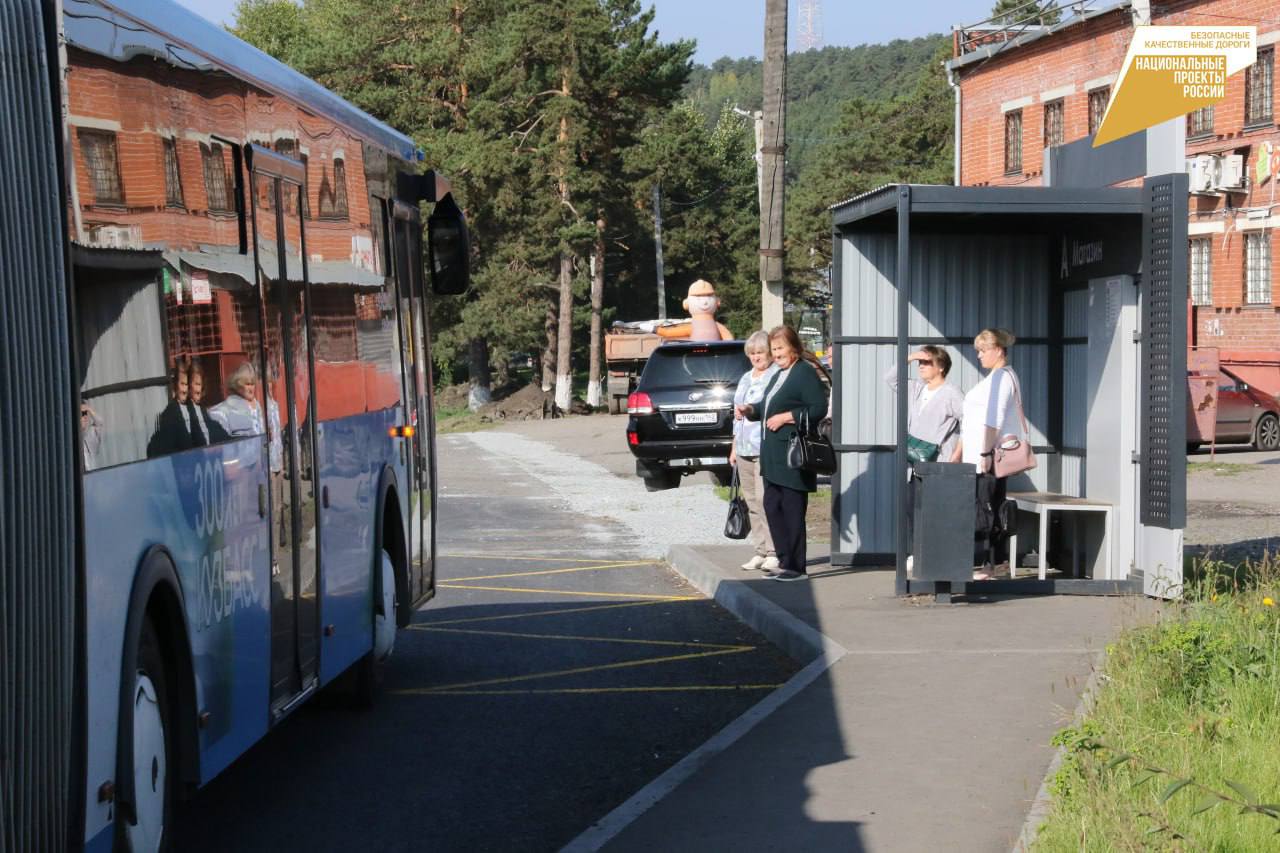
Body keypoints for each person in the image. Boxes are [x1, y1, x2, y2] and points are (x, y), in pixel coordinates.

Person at [744, 325, 830, 582]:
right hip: (772, 455)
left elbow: (818, 408)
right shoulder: (779, 374)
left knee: (792, 510)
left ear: (793, 346)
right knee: (772, 505)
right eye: (774, 349)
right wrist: (750, 409)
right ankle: (783, 561)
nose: (776, 353)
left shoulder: (803, 372)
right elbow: (768, 405)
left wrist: (786, 417)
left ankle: (796, 567)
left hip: (792, 453)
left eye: (780, 348)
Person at [885, 346, 965, 574]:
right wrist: (910, 357)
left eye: (927, 362)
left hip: (939, 460)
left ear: (940, 366)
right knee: (913, 508)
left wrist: (956, 454)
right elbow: (890, 377)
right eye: (920, 363)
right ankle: (916, 552)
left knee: (935, 509)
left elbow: (968, 422)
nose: (921, 366)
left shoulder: (951, 392)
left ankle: (934, 554)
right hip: (914, 461)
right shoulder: (916, 388)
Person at [952, 328, 1023, 580]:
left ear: (998, 350)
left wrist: (984, 451)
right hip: (978, 454)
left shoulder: (1001, 379)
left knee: (987, 507)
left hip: (988, 456)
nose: (979, 356)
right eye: (978, 351)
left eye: (983, 351)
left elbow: (994, 419)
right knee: (986, 505)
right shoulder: (993, 379)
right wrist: (959, 452)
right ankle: (991, 562)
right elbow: (972, 420)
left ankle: (992, 563)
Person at [730, 331, 779, 572]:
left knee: (764, 499)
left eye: (760, 352)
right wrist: (733, 447)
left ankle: (773, 550)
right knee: (750, 500)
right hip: (743, 447)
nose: (755, 357)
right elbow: (735, 416)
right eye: (752, 353)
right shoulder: (745, 378)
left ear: (769, 353)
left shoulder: (775, 376)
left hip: (764, 446)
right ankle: (759, 550)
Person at [147, 356, 200, 457]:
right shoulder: (170, 413)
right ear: (175, 385)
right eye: (183, 384)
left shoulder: (194, 409)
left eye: (188, 385)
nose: (186, 389)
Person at [209, 362, 265, 438]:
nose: (251, 389)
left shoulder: (257, 405)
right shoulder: (223, 411)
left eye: (252, 384)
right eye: (247, 384)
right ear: (238, 385)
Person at [81, 403, 103, 470]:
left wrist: (89, 409)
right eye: (81, 414)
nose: (85, 417)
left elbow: (99, 422)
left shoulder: (91, 433)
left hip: (93, 473)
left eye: (85, 414)